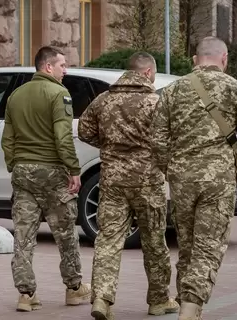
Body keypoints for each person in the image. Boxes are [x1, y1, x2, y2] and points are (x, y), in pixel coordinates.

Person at [150, 36, 237, 320]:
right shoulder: (236, 89)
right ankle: (191, 307)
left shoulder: (171, 91)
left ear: (195, 59)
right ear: (224, 59)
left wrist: (170, 167)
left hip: (181, 179)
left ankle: (186, 302)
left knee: (189, 246)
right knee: (209, 245)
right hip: (217, 179)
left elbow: (156, 139)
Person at [78, 52, 179, 320]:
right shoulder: (157, 102)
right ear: (147, 73)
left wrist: (110, 147)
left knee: (108, 240)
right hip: (148, 183)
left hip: (112, 181)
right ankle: (158, 300)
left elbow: (84, 130)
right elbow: (168, 140)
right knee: (154, 242)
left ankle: (101, 297)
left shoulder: (104, 100)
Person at [2, 46, 90, 312]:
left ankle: (26, 295)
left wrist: (14, 165)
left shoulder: (16, 96)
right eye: (63, 65)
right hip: (52, 172)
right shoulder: (58, 94)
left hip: (23, 172)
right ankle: (74, 289)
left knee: (24, 235)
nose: (66, 70)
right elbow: (62, 139)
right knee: (65, 234)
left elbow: (8, 140)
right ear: (48, 67)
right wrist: (74, 170)